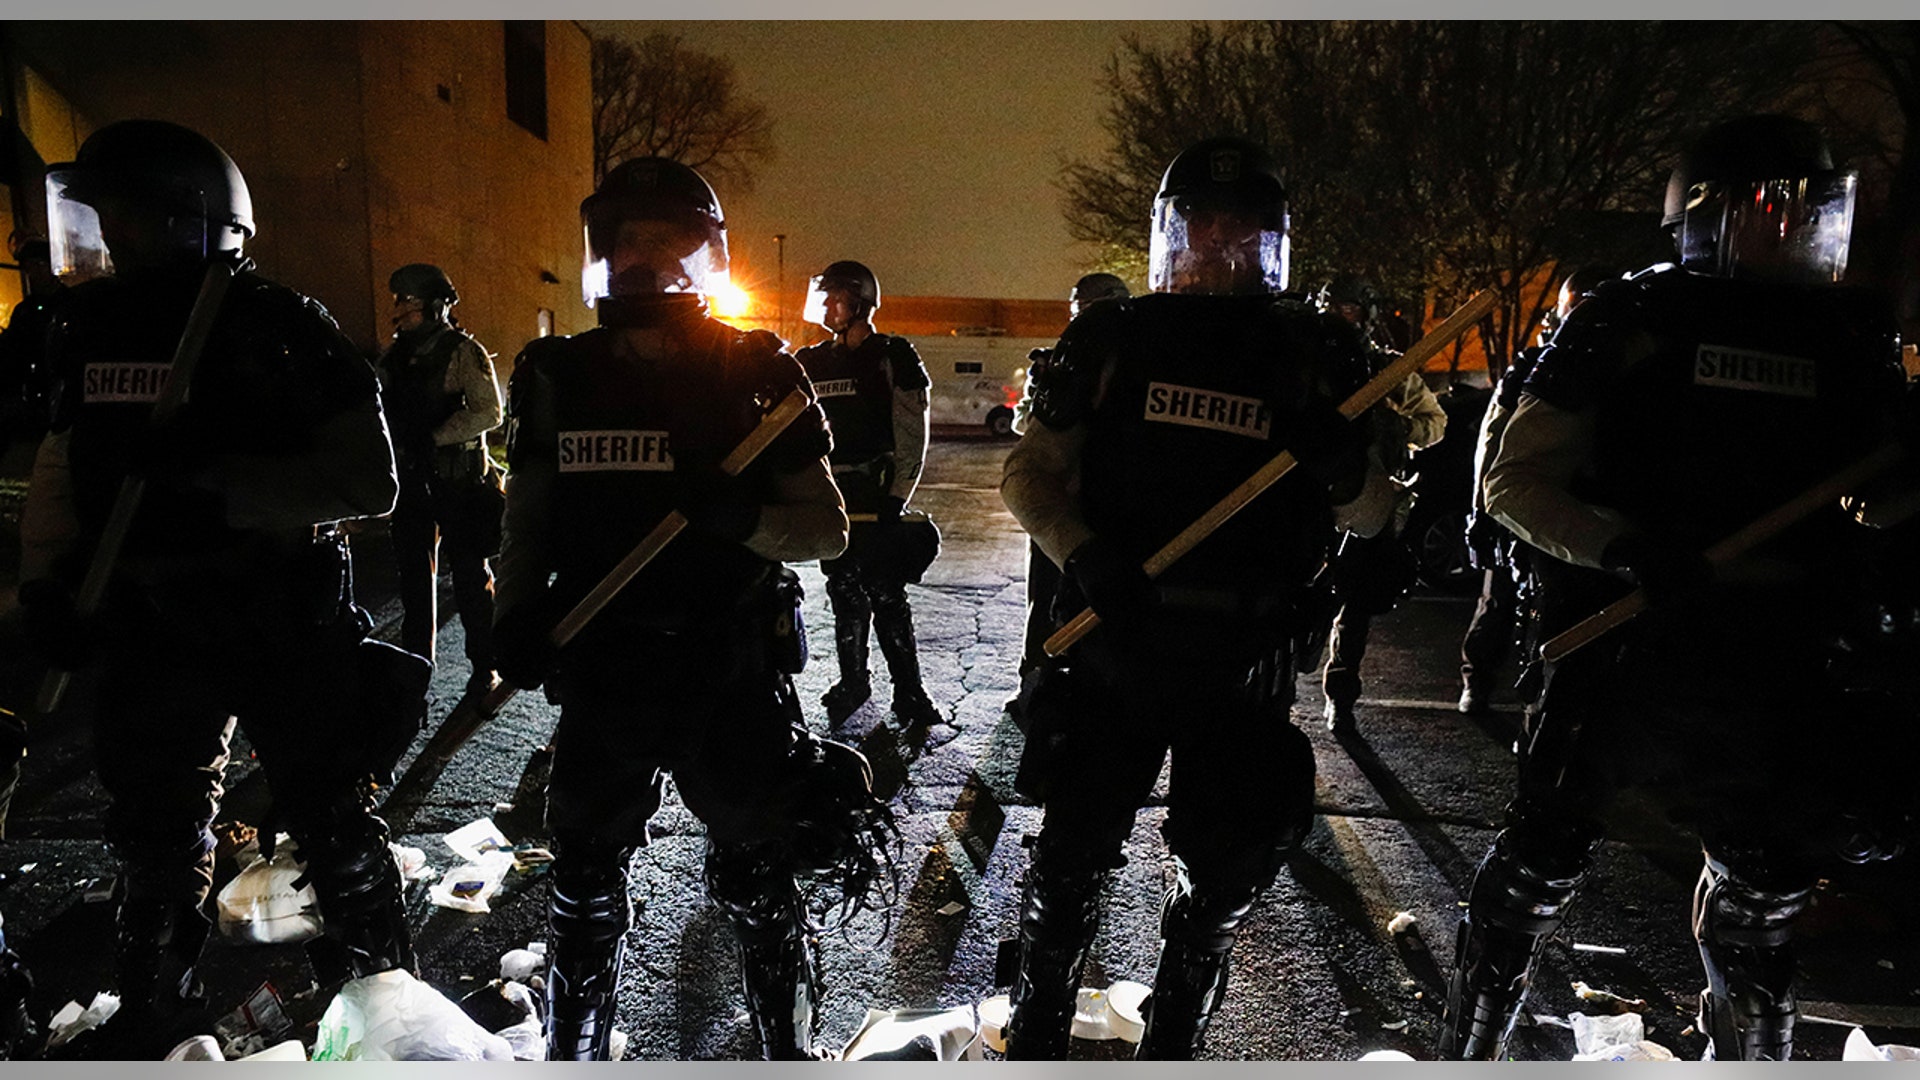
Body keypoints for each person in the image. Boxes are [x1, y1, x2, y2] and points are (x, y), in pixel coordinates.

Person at [1438, 115, 1908, 1062]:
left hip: (1776, 664)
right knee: (1531, 878)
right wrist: (1622, 550)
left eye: (1811, 212)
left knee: (1762, 916)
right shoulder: (1629, 320)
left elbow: (1885, 497)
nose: (1796, 231)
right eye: (1773, 210)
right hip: (1629, 646)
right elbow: (1515, 483)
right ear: (1709, 215)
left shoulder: (1848, 340)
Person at [16, 119, 420, 1055]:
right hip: (153, 620)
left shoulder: (276, 326)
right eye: (101, 218)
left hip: (276, 612)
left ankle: (384, 1012)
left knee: (330, 822)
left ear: (190, 218)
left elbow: (370, 482)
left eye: (125, 216)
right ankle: (153, 1010)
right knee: (155, 832)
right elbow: (61, 470)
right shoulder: (88, 329)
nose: (109, 238)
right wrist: (51, 589)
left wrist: (218, 475)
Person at [999, 136, 1394, 1060]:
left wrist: (1342, 467)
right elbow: (1030, 473)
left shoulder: (1320, 352)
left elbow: (1378, 516)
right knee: (1070, 859)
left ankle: (1174, 1034)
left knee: (1225, 871)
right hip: (1114, 639)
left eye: (1240, 230)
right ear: (1174, 233)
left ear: (1270, 241)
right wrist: (1082, 554)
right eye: (1201, 226)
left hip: (1243, 657)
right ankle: (1038, 1025)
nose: (1218, 245)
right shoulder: (1113, 338)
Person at [491, 156, 893, 1061]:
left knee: (758, 879)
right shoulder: (560, 374)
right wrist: (511, 615)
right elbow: (528, 518)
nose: (645, 261)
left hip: (727, 667)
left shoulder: (751, 373)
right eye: (627, 242)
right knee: (584, 888)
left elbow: (826, 530)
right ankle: (575, 1053)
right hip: (604, 664)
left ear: (703, 254)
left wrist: (742, 518)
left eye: (666, 243)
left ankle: (784, 1050)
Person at [1456, 267, 1618, 716]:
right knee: (1497, 601)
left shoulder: (1619, 362)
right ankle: (1478, 681)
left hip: (1572, 510)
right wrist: (1482, 512)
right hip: (1524, 501)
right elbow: (1492, 440)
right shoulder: (1533, 367)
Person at [793, 261, 942, 731]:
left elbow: (910, 428)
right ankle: (854, 682)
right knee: (844, 594)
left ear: (860, 303)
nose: (827, 308)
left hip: (876, 494)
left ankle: (910, 694)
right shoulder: (812, 360)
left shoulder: (891, 355)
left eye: (836, 298)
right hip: (832, 495)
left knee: (886, 594)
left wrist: (898, 495)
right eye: (825, 298)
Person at [1314, 274, 1447, 734]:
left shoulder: (1386, 370)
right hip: (1307, 495)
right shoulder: (1299, 362)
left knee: (1357, 599)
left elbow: (1434, 421)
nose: (1340, 317)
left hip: (1369, 499)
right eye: (1334, 307)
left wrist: (1399, 429)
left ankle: (1341, 694)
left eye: (1350, 309)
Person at [375, 262, 504, 701]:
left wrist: (433, 437)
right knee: (415, 583)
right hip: (412, 485)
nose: (399, 309)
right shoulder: (392, 359)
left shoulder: (462, 352)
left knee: (471, 579)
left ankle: (485, 667)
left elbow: (489, 412)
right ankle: (416, 672)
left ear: (433, 305)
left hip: (459, 483)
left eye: (407, 300)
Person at [1005, 272, 1130, 725]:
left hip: (1106, 505)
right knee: (1044, 599)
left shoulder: (1137, 360)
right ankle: (1036, 684)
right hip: (1060, 501)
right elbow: (1026, 430)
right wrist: (1043, 391)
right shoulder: (1068, 359)